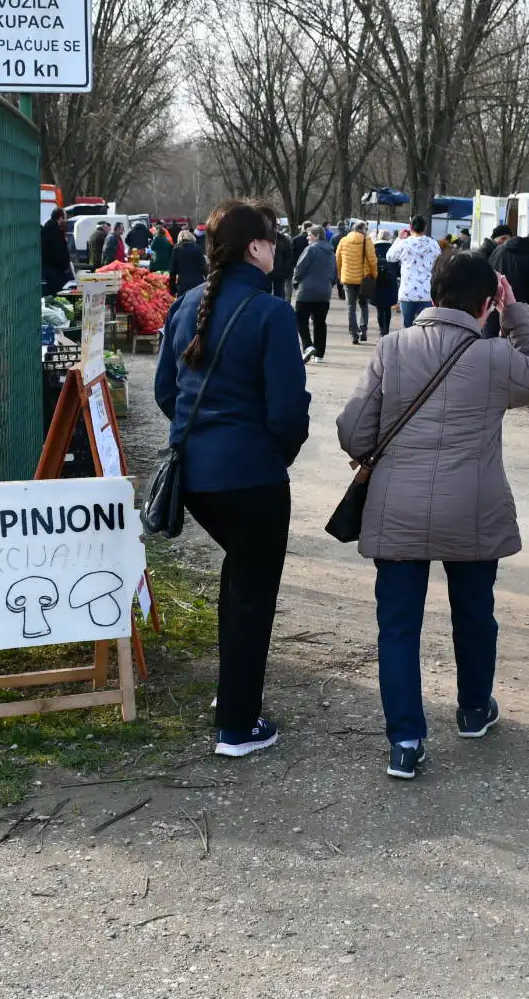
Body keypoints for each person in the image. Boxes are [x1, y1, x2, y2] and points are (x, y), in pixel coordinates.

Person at [336, 252, 529, 779]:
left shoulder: (392, 348)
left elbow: (352, 430)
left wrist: (376, 448)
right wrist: (517, 316)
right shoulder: (495, 358)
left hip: (397, 506)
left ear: (431, 295)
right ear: (488, 303)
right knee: (475, 613)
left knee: (397, 626)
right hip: (474, 508)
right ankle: (472, 709)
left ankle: (406, 741)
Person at [154, 200, 311, 758]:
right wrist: (276, 455)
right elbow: (289, 414)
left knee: (238, 583)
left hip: (196, 479)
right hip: (253, 478)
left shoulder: (187, 304)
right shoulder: (271, 314)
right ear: (254, 247)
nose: (277, 247)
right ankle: (238, 726)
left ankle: (233, 698)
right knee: (251, 594)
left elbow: (166, 394)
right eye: (272, 239)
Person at [486, 224, 529, 337]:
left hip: (493, 304)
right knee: (515, 344)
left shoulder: (500, 249)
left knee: (489, 342)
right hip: (518, 310)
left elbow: (488, 272)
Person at [292, 225, 336, 362]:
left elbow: (300, 267)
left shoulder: (311, 249)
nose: (307, 237)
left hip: (307, 290)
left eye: (309, 235)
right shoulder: (331, 252)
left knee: (300, 318)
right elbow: (335, 272)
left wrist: (295, 280)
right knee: (320, 322)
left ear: (316, 236)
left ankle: (307, 345)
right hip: (324, 292)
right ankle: (320, 354)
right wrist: (329, 285)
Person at [389, 213, 441, 328]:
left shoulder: (403, 244)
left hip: (407, 293)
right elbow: (439, 263)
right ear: (425, 227)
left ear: (410, 228)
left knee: (407, 327)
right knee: (425, 328)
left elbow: (390, 257)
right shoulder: (433, 245)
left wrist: (398, 239)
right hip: (426, 292)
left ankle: (409, 346)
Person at [336, 219, 377, 343]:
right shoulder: (367, 241)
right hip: (363, 279)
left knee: (351, 308)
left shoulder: (343, 241)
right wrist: (374, 275)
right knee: (363, 305)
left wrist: (340, 275)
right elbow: (372, 260)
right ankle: (363, 330)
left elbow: (338, 259)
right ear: (362, 229)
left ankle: (354, 334)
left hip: (348, 279)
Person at [40, 207, 74, 296]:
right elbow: (58, 250)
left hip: (50, 267)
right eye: (65, 218)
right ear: (60, 217)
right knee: (56, 292)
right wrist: (65, 266)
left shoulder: (49, 227)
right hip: (54, 269)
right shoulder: (54, 230)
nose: (65, 220)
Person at [372, 230, 399, 338]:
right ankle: (386, 329)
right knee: (388, 307)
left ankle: (381, 330)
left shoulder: (373, 248)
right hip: (390, 279)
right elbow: (397, 264)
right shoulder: (393, 248)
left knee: (379, 307)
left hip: (377, 280)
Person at [170, 229, 207, 296]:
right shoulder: (197, 249)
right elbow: (204, 267)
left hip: (183, 286)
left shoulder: (176, 250)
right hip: (198, 285)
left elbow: (172, 272)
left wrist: (172, 290)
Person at [270, 225, 295, 300]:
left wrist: (286, 272)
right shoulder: (263, 237)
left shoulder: (283, 239)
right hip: (267, 273)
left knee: (279, 295)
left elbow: (289, 256)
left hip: (279, 273)